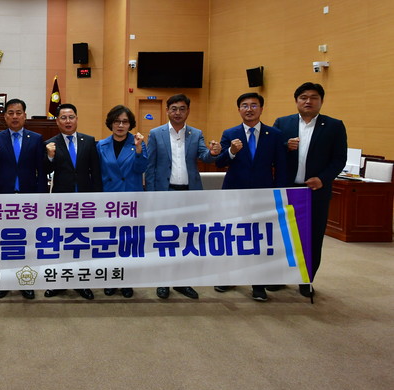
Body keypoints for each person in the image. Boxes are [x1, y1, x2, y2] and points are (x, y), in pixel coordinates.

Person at [273, 82, 347, 299]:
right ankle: (278, 277)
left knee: (312, 237)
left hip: (315, 191)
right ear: (296, 101)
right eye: (303, 97)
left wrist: (322, 179)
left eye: (314, 97)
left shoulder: (334, 126)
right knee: (282, 235)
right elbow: (272, 153)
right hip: (287, 190)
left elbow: (339, 159)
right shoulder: (282, 123)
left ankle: (305, 279)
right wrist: (285, 146)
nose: (308, 101)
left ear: (321, 101)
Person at [213, 92, 288, 302]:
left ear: (261, 109)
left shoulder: (274, 134)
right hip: (234, 193)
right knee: (233, 236)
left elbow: (281, 167)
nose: (249, 109)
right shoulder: (230, 133)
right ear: (239, 109)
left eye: (254, 105)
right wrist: (231, 151)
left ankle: (258, 284)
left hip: (263, 195)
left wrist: (278, 194)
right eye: (244, 105)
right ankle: (228, 277)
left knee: (259, 240)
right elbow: (219, 162)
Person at [145, 94, 221, 300]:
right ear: (167, 111)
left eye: (182, 109)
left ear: (188, 111)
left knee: (186, 239)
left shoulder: (196, 134)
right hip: (165, 193)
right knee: (165, 238)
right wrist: (151, 196)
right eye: (174, 109)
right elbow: (150, 167)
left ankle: (182, 282)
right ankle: (163, 282)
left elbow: (205, 157)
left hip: (189, 194)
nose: (177, 113)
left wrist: (213, 152)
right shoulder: (156, 133)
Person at [0, 98, 47, 300]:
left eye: (18, 113)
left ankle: (25, 282)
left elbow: (42, 170)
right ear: (5, 116)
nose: (14, 116)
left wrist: (42, 197)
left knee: (27, 242)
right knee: (4, 241)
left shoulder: (36, 138)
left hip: (29, 198)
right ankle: (3, 282)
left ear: (25, 116)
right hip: (5, 198)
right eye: (10, 113)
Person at [43, 103, 101, 300]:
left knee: (82, 242)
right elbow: (44, 171)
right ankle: (59, 282)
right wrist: (49, 157)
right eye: (63, 118)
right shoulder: (50, 143)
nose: (68, 121)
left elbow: (96, 172)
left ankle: (81, 282)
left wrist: (98, 199)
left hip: (85, 201)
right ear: (57, 121)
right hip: (62, 201)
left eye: (71, 117)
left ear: (76, 118)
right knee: (60, 242)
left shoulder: (89, 141)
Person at [96, 104, 148, 299]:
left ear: (130, 124)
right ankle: (110, 279)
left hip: (130, 199)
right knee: (109, 242)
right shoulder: (100, 145)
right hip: (108, 199)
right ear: (111, 123)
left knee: (128, 242)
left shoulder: (138, 144)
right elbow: (97, 173)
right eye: (117, 121)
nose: (120, 125)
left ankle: (127, 281)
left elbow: (141, 168)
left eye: (125, 122)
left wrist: (138, 149)